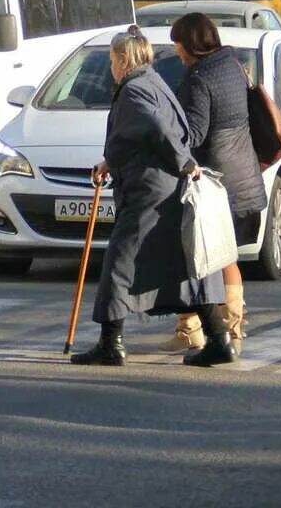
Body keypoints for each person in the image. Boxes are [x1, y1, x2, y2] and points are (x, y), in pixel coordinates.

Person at [72, 27, 234, 368]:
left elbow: (159, 131)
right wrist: (110, 161)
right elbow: (147, 134)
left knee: (119, 264)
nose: (111, 68)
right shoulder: (153, 82)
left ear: (122, 59)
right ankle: (219, 339)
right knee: (189, 266)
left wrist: (184, 163)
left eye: (112, 61)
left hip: (148, 192)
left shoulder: (133, 91)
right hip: (165, 189)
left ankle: (110, 343)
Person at [170, 13, 265, 349]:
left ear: (191, 44)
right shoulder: (231, 65)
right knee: (226, 258)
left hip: (215, 184)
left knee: (196, 257)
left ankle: (194, 331)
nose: (177, 52)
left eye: (178, 44)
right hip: (246, 179)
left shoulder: (198, 79)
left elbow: (194, 133)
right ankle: (233, 328)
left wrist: (166, 129)